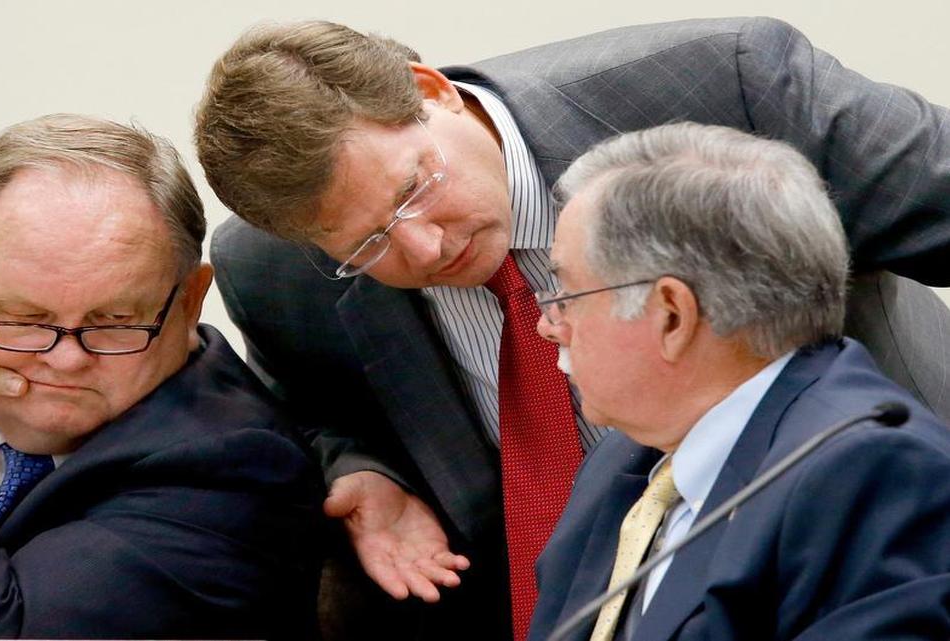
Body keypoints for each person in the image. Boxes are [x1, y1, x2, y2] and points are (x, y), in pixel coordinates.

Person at [195, 17, 950, 640]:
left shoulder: (727, 83)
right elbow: (311, 409)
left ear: (434, 93)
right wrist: (361, 468)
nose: (424, 248)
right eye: (366, 246)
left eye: (414, 189)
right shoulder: (272, 272)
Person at [0, 114, 324, 640]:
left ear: (191, 300)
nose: (66, 359)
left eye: (115, 321)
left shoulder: (239, 473)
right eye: (24, 319)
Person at [528, 121, 950, 640]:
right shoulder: (624, 460)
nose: (550, 323)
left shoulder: (872, 473)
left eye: (567, 293)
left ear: (671, 316)